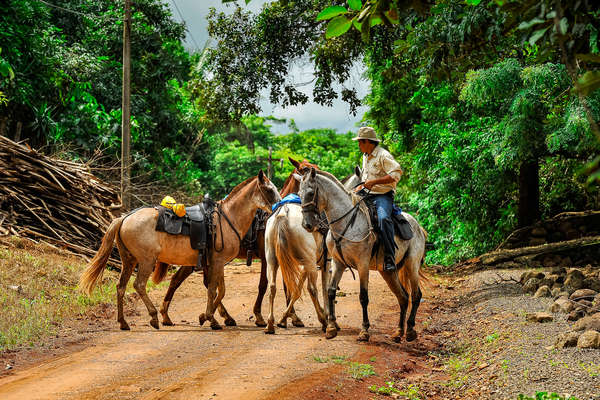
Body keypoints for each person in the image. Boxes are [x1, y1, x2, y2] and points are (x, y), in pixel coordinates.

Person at [352, 126, 403, 272]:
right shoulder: (365, 156)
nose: (358, 145)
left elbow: (396, 175)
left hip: (383, 195)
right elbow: (366, 178)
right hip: (366, 194)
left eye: (360, 142)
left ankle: (389, 257)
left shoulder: (383, 155)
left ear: (367, 141)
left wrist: (374, 182)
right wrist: (360, 188)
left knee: (383, 218)